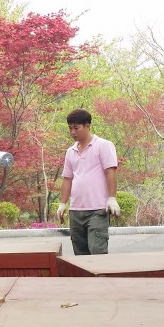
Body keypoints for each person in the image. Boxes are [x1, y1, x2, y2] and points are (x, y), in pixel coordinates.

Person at [56, 109, 121, 255]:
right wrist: (62, 203)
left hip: (98, 209)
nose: (73, 132)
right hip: (76, 210)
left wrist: (112, 198)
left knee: (97, 251)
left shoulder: (103, 145)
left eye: (76, 128)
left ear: (87, 126)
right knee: (80, 256)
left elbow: (110, 172)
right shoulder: (71, 151)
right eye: (70, 128)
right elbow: (67, 178)